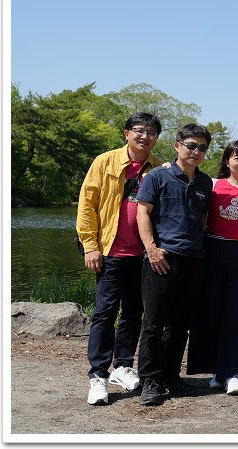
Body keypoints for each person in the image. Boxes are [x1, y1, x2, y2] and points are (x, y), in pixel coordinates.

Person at [76, 113, 162, 405]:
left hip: (142, 255)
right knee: (104, 313)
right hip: (110, 251)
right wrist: (90, 245)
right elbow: (87, 205)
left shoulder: (160, 167)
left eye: (151, 132)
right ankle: (98, 375)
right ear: (126, 133)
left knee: (133, 313)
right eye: (139, 130)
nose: (145, 136)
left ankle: (123, 365)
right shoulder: (105, 161)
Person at [135, 123, 213, 406]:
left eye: (202, 148)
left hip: (193, 261)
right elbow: (142, 214)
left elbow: (203, 219)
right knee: (154, 324)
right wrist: (152, 250)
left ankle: (171, 376)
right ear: (178, 145)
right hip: (162, 259)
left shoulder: (205, 183)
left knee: (181, 325)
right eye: (191, 145)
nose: (196, 152)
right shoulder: (157, 176)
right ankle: (150, 381)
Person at [186, 140, 238, 395]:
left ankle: (234, 373)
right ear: (227, 161)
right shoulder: (212, 185)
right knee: (210, 314)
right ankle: (215, 371)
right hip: (212, 250)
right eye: (237, 158)